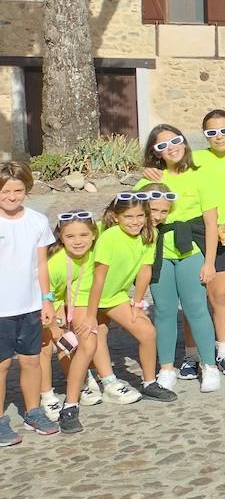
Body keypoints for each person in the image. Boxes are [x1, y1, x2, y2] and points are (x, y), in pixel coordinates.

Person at [43, 212, 145, 431]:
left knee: (84, 341)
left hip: (81, 302)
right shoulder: (56, 263)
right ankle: (53, 398)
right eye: (70, 236)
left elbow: (120, 218)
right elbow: (45, 293)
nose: (78, 241)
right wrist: (56, 318)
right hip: (49, 305)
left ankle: (85, 385)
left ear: (93, 235)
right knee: (52, 344)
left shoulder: (97, 251)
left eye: (83, 235)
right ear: (61, 237)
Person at [138, 125, 221, 391]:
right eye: (162, 145)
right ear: (156, 152)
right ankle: (166, 368)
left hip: (191, 251)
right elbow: (132, 216)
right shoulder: (149, 181)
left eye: (174, 141)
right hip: (159, 252)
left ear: (183, 142)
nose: (171, 148)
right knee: (163, 310)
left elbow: (211, 223)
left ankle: (209, 366)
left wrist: (209, 262)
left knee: (196, 308)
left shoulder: (201, 176)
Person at [75, 196, 171, 401]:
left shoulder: (151, 233)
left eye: (140, 216)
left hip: (115, 294)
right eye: (128, 217)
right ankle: (106, 382)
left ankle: (149, 383)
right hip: (87, 295)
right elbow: (98, 278)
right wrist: (90, 315)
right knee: (94, 334)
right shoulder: (109, 237)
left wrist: (137, 302)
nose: (135, 222)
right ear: (116, 217)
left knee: (147, 332)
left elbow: (145, 270)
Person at [0, 162, 58, 441]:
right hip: (2, 310)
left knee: (31, 361)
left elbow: (41, 265)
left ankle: (33, 411)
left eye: (18, 191)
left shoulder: (38, 221)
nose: (12, 197)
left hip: (31, 306)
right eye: (5, 191)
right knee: (1, 366)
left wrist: (47, 300)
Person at [194, 109, 225, 365]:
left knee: (221, 296)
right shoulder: (194, 159)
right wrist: (151, 171)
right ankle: (192, 354)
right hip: (195, 235)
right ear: (205, 135)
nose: (219, 136)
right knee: (194, 299)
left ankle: (224, 350)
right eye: (212, 132)